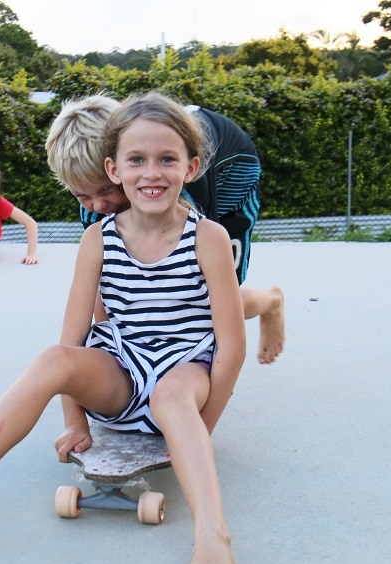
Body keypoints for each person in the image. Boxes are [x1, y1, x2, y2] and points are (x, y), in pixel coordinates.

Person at [0, 91, 244, 564]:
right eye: (136, 160)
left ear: (191, 168)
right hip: (125, 372)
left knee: (176, 388)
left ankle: (213, 538)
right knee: (54, 357)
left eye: (166, 160)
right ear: (115, 169)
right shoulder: (98, 237)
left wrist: (199, 429)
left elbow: (230, 347)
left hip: (183, 374)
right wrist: (75, 423)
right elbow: (74, 340)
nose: (151, 172)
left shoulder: (207, 237)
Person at [46, 94, 284, 364]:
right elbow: (110, 285)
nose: (98, 204)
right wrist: (120, 360)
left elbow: (213, 291)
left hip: (233, 172)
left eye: (108, 189)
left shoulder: (174, 181)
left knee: (214, 301)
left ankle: (271, 302)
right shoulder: (96, 204)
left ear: (117, 169)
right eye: (83, 196)